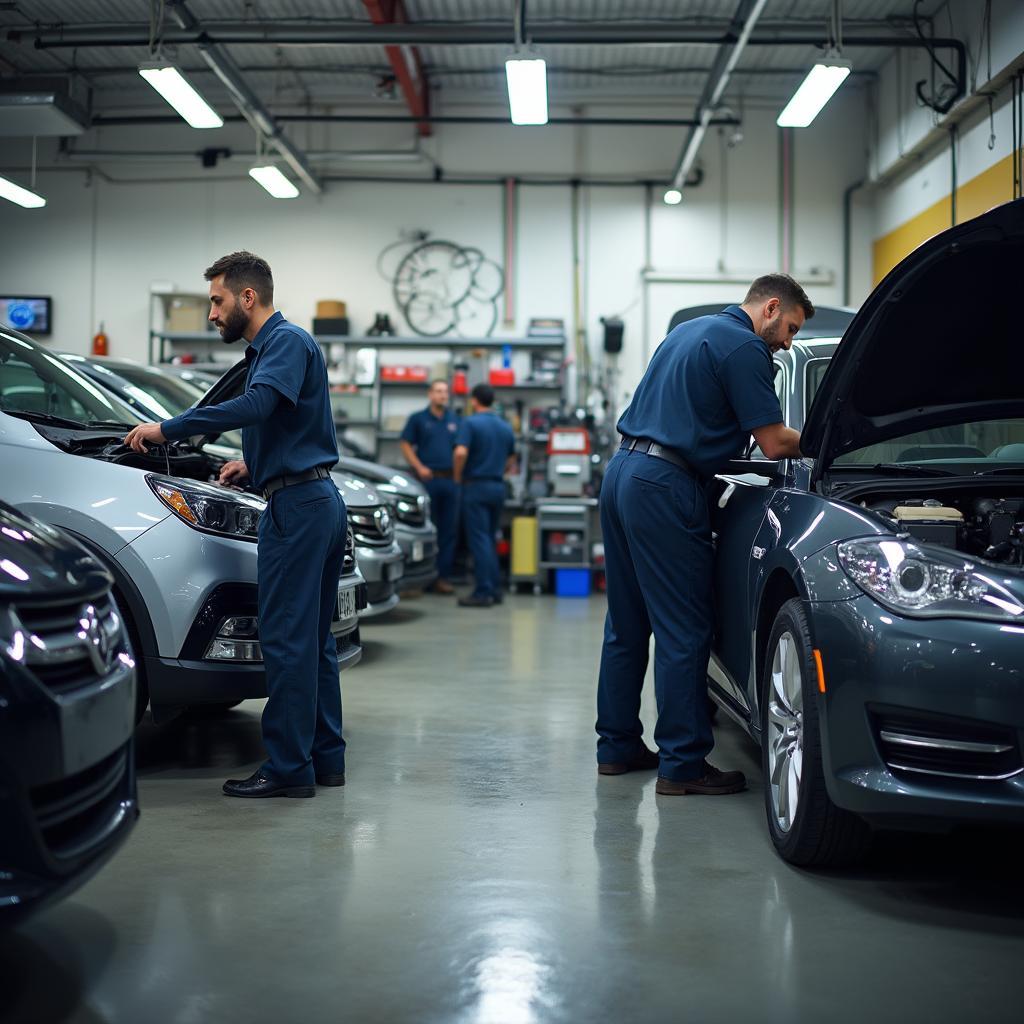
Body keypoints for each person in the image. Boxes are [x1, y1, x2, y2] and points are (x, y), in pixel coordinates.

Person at [124, 251, 347, 800]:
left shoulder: (285, 343)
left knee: (288, 644)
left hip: (298, 510)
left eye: (217, 302)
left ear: (249, 297)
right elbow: (289, 416)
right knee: (312, 643)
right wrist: (258, 462)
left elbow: (259, 403)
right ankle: (325, 759)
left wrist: (168, 428)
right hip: (309, 497)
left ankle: (289, 769)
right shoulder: (280, 347)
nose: (211, 315)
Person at [597, 274, 810, 796]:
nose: (788, 343)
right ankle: (684, 764)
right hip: (666, 486)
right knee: (684, 630)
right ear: (771, 308)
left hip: (624, 471)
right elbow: (776, 442)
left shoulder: (688, 331)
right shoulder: (745, 347)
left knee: (627, 625)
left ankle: (617, 748)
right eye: (790, 329)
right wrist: (842, 436)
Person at [452, 384, 516, 608]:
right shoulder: (505, 426)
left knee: (479, 541)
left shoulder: (470, 423)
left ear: (474, 400)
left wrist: (458, 476)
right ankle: (495, 589)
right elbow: (511, 459)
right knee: (489, 538)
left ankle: (483, 591)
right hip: (497, 486)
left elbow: (460, 452)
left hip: (475, 486)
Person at [399, 380, 459, 595]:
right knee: (425, 530)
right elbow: (405, 443)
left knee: (448, 531)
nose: (442, 395)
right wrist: (419, 467)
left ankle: (442, 578)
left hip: (450, 481)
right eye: (438, 391)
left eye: (445, 392)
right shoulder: (418, 419)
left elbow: (461, 449)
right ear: (430, 394)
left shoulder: (455, 420)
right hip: (428, 480)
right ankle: (421, 579)